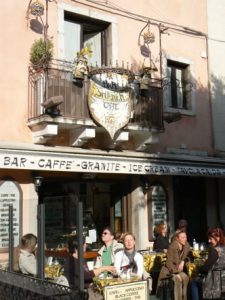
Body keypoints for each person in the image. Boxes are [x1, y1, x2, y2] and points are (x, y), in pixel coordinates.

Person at [191, 227, 225, 300]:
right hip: (223, 281)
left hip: (214, 282)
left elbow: (205, 269)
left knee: (194, 282)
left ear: (217, 238)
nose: (209, 241)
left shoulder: (215, 251)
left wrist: (199, 268)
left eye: (211, 238)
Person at [157, 230, 191, 300]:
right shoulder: (172, 246)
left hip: (178, 269)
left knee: (186, 278)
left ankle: (184, 298)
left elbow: (190, 255)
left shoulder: (186, 245)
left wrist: (183, 261)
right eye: (183, 237)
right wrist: (176, 273)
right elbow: (169, 262)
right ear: (177, 238)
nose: (185, 239)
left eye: (185, 237)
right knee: (177, 280)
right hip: (169, 270)